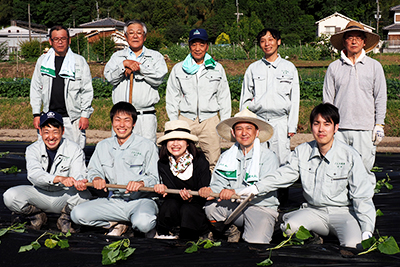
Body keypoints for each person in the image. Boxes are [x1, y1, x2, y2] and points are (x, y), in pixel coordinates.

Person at [246, 103, 376, 249]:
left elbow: (362, 196)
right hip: (314, 211)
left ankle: (349, 234)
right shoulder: (302, 151)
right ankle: (313, 237)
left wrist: (367, 229)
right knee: (289, 227)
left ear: (336, 127)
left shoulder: (349, 155)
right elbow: (283, 175)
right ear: (311, 126)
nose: (321, 129)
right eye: (316, 123)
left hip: (343, 214)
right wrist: (256, 188)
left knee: (353, 244)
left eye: (327, 124)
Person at [71, 102, 159, 237]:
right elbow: (94, 170)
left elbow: (154, 178)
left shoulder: (147, 146)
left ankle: (137, 224)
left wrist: (141, 183)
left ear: (134, 123)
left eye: (127, 120)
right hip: (115, 201)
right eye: (117, 120)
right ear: (112, 122)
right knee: (77, 214)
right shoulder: (103, 146)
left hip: (140, 200)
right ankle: (115, 223)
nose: (122, 125)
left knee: (144, 223)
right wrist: (96, 178)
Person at [199, 109, 279, 244]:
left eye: (249, 128)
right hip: (235, 206)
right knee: (211, 208)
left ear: (257, 132)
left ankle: (257, 228)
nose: (244, 133)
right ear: (233, 133)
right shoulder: (226, 157)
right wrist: (211, 191)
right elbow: (218, 182)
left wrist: (234, 191)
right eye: (239, 129)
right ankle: (231, 229)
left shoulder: (268, 157)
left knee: (256, 243)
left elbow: (265, 187)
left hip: (260, 206)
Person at [3, 111, 91, 233]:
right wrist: (59, 178)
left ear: (63, 131)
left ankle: (65, 218)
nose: (51, 137)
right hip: (40, 194)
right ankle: (37, 215)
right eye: (46, 132)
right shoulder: (32, 149)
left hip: (63, 195)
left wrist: (80, 181)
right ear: (40, 132)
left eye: (55, 132)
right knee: (10, 196)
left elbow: (79, 172)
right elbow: (34, 174)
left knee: (84, 197)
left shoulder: (74, 149)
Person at [323, 21, 386, 176]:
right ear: (344, 41)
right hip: (340, 129)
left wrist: (379, 124)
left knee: (363, 172)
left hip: (365, 129)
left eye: (358, 37)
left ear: (364, 42)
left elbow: (380, 96)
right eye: (350, 37)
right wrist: (329, 125)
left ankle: (363, 201)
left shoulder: (374, 66)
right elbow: (328, 100)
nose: (354, 41)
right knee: (338, 171)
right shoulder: (334, 67)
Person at [166, 28, 231, 171]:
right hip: (186, 120)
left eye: (201, 44)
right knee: (182, 158)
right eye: (194, 44)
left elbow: (224, 97)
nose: (197, 48)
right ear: (189, 46)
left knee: (213, 160)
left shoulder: (217, 68)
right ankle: (185, 191)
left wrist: (224, 123)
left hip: (210, 120)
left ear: (207, 46)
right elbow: (172, 97)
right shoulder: (179, 69)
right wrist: (175, 122)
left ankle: (211, 191)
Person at [240, 28, 300, 166]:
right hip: (259, 121)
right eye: (263, 41)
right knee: (257, 161)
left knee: (282, 161)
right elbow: (245, 98)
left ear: (278, 42)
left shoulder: (289, 68)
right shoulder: (253, 68)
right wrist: (246, 124)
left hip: (280, 122)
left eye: (270, 40)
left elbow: (294, 99)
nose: (267, 44)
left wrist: (292, 126)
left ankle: (282, 189)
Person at [30, 25, 94, 149]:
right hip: (49, 117)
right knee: (47, 155)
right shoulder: (43, 61)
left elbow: (86, 90)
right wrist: (36, 114)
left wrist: (85, 115)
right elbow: (36, 88)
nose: (60, 42)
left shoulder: (79, 61)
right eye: (56, 39)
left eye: (63, 38)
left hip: (72, 119)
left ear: (69, 40)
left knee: (74, 154)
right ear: (50, 41)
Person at [104, 20, 168, 143]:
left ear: (144, 36)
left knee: (147, 151)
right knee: (120, 150)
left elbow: (158, 79)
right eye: (131, 33)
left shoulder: (155, 57)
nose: (135, 36)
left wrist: (139, 68)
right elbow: (110, 78)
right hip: (122, 116)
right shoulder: (117, 57)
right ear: (125, 36)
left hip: (145, 116)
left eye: (139, 33)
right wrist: (124, 65)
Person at [154, 120, 211, 239]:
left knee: (188, 209)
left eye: (180, 139)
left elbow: (204, 187)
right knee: (169, 205)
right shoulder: (163, 163)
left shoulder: (200, 161)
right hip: (174, 205)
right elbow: (168, 189)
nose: (175, 144)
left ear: (188, 143)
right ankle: (166, 234)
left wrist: (192, 196)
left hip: (195, 206)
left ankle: (192, 238)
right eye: (171, 140)